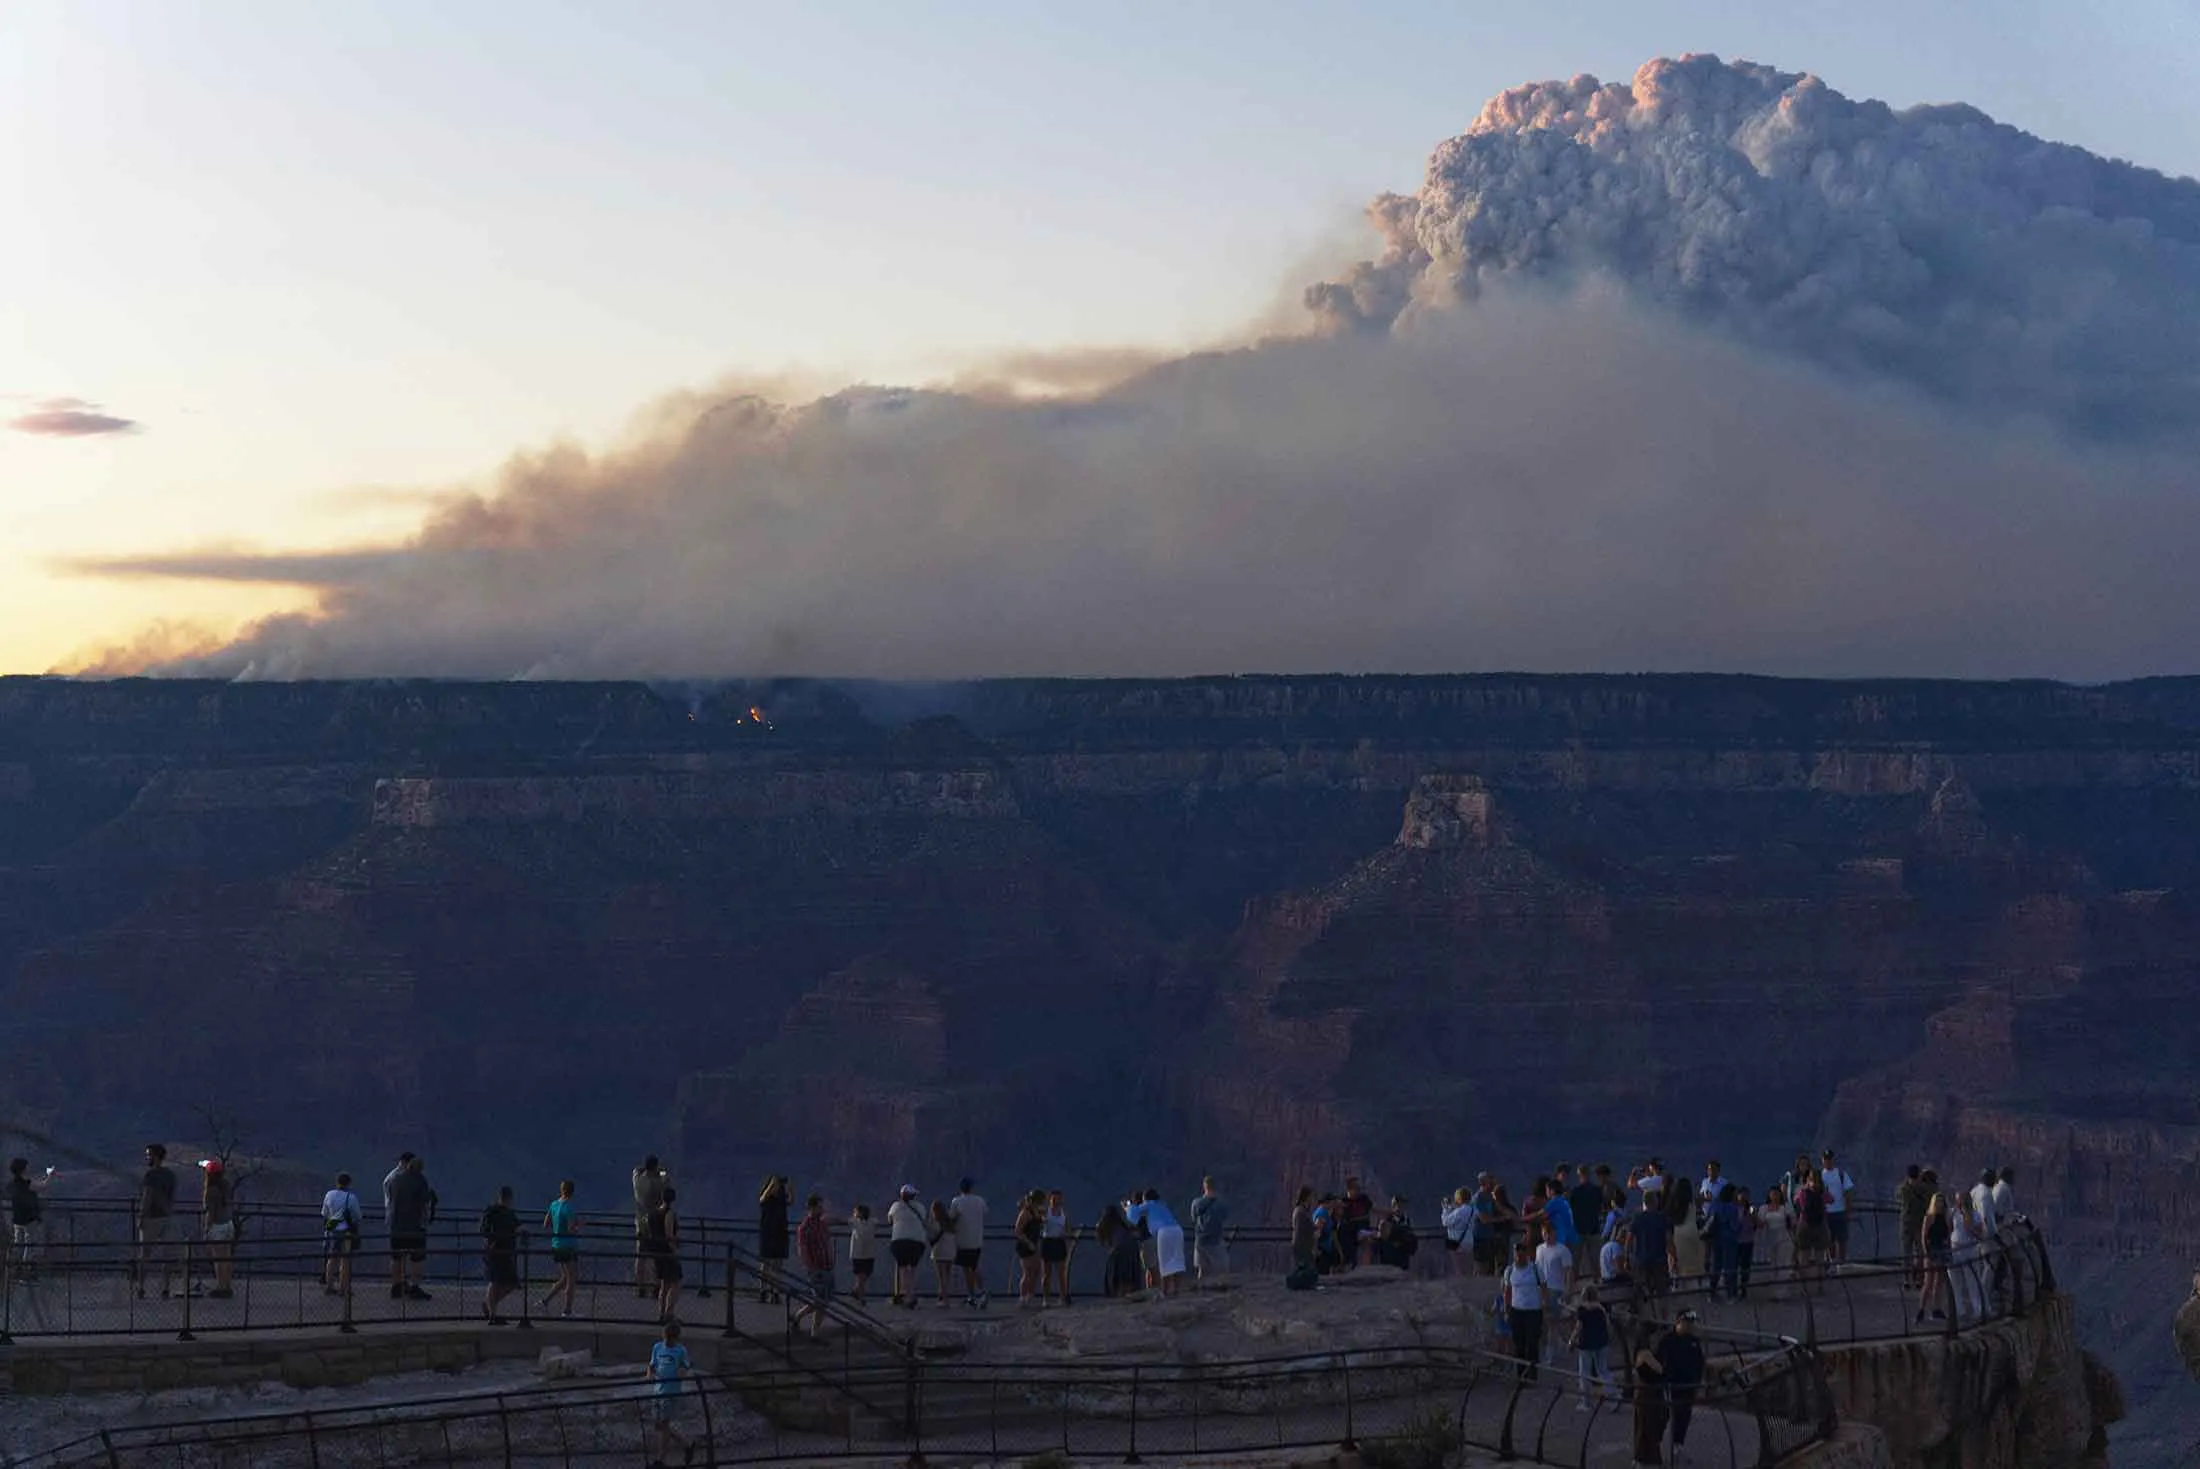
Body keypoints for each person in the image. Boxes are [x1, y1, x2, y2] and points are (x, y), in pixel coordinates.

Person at [644, 1320, 697, 1469]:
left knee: (664, 1424)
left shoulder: (680, 1350)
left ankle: (660, 1459)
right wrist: (649, 1374)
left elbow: (685, 1366)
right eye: (665, 1339)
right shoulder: (657, 1347)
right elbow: (652, 1364)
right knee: (659, 1426)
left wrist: (682, 1372)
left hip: (671, 1391)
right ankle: (686, 1444)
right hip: (658, 1390)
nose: (666, 1342)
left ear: (675, 1339)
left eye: (669, 1340)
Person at [1655, 1311, 1708, 1459]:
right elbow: (1658, 1362)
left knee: (1683, 1416)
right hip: (1670, 1385)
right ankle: (1655, 1443)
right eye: (1688, 1322)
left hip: (1688, 1386)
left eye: (1692, 1323)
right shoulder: (1667, 1341)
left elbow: (1700, 1362)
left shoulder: (1694, 1341)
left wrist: (1698, 1383)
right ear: (1679, 1322)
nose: (1691, 1326)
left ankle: (1678, 1444)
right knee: (1663, 1416)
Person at [387, 1155, 437, 1302]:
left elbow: (390, 1197)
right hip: (414, 1227)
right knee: (417, 1258)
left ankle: (396, 1286)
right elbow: (425, 1200)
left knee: (396, 1257)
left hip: (396, 1225)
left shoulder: (394, 1179)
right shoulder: (420, 1180)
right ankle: (415, 1287)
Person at [136, 1143, 179, 1299]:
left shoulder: (150, 1175)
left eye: (148, 1155)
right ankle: (165, 1287)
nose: (146, 1157)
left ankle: (141, 1286)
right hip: (167, 1217)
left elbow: (147, 1197)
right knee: (167, 1255)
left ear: (154, 1156)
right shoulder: (170, 1175)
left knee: (144, 1255)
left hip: (152, 1218)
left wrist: (141, 1216)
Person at [1125, 1189, 1187, 1295]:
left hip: (1164, 1232)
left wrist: (1128, 1206)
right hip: (1177, 1230)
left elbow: (1133, 1214)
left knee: (1164, 1262)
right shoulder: (1162, 1205)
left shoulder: (1149, 1204)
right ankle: (1177, 1288)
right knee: (1177, 1260)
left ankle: (1164, 1291)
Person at [1501, 1238, 1546, 1379]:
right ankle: (1521, 1375)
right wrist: (1506, 1310)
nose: (1519, 1257)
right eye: (1517, 1254)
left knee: (1532, 1344)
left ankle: (1532, 1375)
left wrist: (1545, 1304)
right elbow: (1507, 1291)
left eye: (1522, 1254)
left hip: (1533, 1311)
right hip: (1517, 1311)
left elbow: (1544, 1287)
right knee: (1519, 1344)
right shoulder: (1509, 1271)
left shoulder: (1535, 1269)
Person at [792, 1193, 835, 1338]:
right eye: (820, 1206)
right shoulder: (804, 1228)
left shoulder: (822, 1224)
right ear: (812, 1207)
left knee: (823, 1301)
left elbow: (827, 1242)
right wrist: (810, 1268)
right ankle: (812, 1330)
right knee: (820, 1301)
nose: (822, 1209)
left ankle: (801, 1319)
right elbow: (802, 1249)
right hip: (816, 1268)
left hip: (827, 1266)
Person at [478, 1185, 521, 1325]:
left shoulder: (496, 1211)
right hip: (499, 1251)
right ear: (509, 1198)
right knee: (497, 1282)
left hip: (500, 1251)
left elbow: (483, 1230)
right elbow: (517, 1227)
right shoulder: (497, 1212)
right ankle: (492, 1314)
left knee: (506, 1282)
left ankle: (490, 1307)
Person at [5, 1157, 53, 1283]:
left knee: (18, 1245)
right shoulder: (25, 1183)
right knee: (29, 1246)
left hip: (17, 1218)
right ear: (23, 1169)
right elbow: (42, 1186)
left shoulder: (13, 1184)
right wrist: (50, 1175)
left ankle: (14, 1270)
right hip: (29, 1219)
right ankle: (25, 1273)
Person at [1568, 1283, 1613, 1411]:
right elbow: (1607, 1324)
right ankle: (1613, 1396)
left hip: (1586, 1343)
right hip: (1601, 1341)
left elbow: (1578, 1327)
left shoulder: (1582, 1309)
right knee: (1603, 1370)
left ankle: (1586, 1402)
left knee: (1584, 1373)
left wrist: (1571, 1341)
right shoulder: (1602, 1308)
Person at [540, 1179, 581, 1318]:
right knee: (572, 1278)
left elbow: (546, 1224)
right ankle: (567, 1310)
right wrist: (578, 1225)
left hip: (556, 1244)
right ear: (572, 1192)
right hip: (568, 1245)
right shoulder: (568, 1207)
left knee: (565, 1277)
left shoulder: (554, 1204)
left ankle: (545, 1300)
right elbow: (571, 1228)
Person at [320, 1171, 363, 1300]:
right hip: (346, 1231)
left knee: (332, 1259)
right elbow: (357, 1216)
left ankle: (329, 1285)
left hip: (332, 1230)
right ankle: (344, 1288)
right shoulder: (351, 1197)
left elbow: (324, 1213)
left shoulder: (329, 1195)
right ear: (349, 1183)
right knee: (345, 1260)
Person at [1534, 1219, 1572, 1364]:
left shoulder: (1562, 1250)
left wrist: (1567, 1290)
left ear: (1554, 1234)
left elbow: (1569, 1271)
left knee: (1552, 1322)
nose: (1547, 1236)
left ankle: (1551, 1353)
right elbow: (1537, 1268)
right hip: (1540, 1289)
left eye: (1549, 1233)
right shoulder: (1539, 1249)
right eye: (1544, 1233)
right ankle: (1557, 1347)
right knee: (1543, 1322)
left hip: (1556, 1289)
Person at [632, 1156, 671, 1298]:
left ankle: (640, 1286)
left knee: (640, 1256)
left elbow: (635, 1170)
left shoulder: (637, 1181)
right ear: (655, 1167)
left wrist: (645, 1170)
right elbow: (665, 1190)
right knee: (655, 1256)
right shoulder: (656, 1184)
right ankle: (655, 1286)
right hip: (654, 1223)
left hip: (640, 1222)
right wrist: (663, 1174)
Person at [199, 1158, 237, 1298]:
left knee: (218, 1258)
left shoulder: (211, 1191)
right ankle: (227, 1284)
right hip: (228, 1223)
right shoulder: (225, 1186)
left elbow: (211, 1213)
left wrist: (206, 1229)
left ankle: (221, 1287)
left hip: (218, 1226)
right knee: (227, 1257)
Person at [949, 1178, 990, 1308]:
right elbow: (985, 1213)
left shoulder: (956, 1201)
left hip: (962, 1240)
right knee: (974, 1265)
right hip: (977, 1239)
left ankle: (976, 1293)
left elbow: (951, 1217)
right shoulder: (980, 1201)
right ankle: (977, 1293)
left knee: (968, 1268)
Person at [886, 1185, 927, 1310]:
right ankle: (912, 1295)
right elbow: (924, 1219)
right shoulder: (920, 1207)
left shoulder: (895, 1206)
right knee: (913, 1270)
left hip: (899, 1241)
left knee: (902, 1269)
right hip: (917, 1241)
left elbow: (890, 1220)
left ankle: (904, 1295)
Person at [648, 1185, 684, 1323]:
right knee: (676, 1283)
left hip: (657, 1252)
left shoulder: (653, 1213)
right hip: (667, 1252)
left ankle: (661, 1313)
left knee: (664, 1284)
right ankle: (669, 1312)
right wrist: (674, 1249)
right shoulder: (668, 1213)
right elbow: (669, 1234)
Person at [1916, 1186, 1952, 1324]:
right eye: (1938, 1202)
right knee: (1928, 1282)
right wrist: (1926, 1253)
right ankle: (1921, 1309)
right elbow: (1923, 1236)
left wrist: (1948, 1249)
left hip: (1942, 1250)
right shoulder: (1929, 1217)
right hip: (1932, 1250)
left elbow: (1948, 1234)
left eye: (1942, 1202)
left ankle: (1936, 1309)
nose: (1940, 1205)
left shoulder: (1946, 1217)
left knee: (1939, 1282)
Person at [1949, 1190, 1986, 1323]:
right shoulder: (1953, 1213)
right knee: (1955, 1282)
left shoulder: (1976, 1215)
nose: (1959, 1204)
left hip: (1969, 1249)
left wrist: (1968, 1222)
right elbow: (1949, 1228)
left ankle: (1978, 1309)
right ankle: (1960, 1310)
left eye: (1961, 1201)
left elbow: (1981, 1234)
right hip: (1955, 1248)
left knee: (1972, 1281)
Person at [1630, 1345, 1669, 1466]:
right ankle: (1641, 1459)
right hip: (1646, 1391)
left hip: (1656, 1391)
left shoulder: (1661, 1343)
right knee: (1645, 1426)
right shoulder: (1644, 1347)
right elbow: (1658, 1368)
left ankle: (1648, 1457)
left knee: (1658, 1423)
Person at [757, 1175, 791, 1303]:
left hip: (780, 1233)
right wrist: (772, 1184)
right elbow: (762, 1199)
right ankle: (763, 1290)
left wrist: (789, 1188)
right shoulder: (767, 1198)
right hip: (767, 1233)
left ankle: (775, 1292)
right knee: (765, 1263)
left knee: (777, 1265)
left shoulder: (781, 1199)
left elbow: (791, 1201)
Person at [1188, 1177, 1229, 1284]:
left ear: (1204, 1186)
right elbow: (1224, 1217)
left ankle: (1200, 1290)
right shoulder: (1221, 1204)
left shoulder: (1196, 1203)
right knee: (1222, 1267)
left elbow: (1193, 1219)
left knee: (1202, 1268)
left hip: (1200, 1239)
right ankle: (1222, 1288)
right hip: (1216, 1239)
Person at [1792, 1170, 1831, 1283]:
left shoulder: (1803, 1192)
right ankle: (1821, 1284)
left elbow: (1796, 1201)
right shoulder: (1822, 1193)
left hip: (1804, 1224)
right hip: (1820, 1225)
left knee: (1804, 1255)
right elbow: (1831, 1200)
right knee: (1820, 1256)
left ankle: (1804, 1284)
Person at [1755, 1185, 1795, 1294]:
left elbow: (1793, 1222)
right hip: (1770, 1237)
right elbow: (1760, 1224)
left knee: (1783, 1263)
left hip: (1784, 1237)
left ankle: (1781, 1292)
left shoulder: (1785, 1207)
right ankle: (1774, 1289)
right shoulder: (1764, 1208)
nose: (1774, 1196)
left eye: (1777, 1194)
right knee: (1773, 1264)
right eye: (1772, 1194)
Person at [1099, 1200, 1143, 1296]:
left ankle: (1119, 1293)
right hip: (1131, 1249)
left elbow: (1103, 1240)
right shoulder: (1121, 1225)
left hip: (1119, 1251)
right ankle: (1130, 1292)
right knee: (1129, 1273)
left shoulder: (1104, 1225)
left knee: (1118, 1275)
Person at [1820, 1149, 1855, 1266]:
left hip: (1840, 1211)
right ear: (1822, 1160)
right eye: (1826, 1159)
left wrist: (1848, 1210)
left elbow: (1848, 1191)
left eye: (1829, 1159)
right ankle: (1831, 1262)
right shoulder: (1819, 1176)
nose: (1828, 1161)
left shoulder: (1841, 1174)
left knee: (1842, 1239)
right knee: (1828, 1240)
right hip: (1826, 1213)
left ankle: (1842, 1263)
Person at [1896, 1164, 1929, 1286]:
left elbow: (1899, 1198)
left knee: (1906, 1253)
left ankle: (1906, 1279)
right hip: (1920, 1223)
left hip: (1906, 1223)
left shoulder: (1903, 1188)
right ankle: (1919, 1278)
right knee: (1920, 1252)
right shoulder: (1923, 1189)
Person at [1014, 1191, 1045, 1306]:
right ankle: (1022, 1297)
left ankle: (1030, 1295)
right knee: (1027, 1272)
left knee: (1036, 1271)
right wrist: (1028, 1243)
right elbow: (1018, 1231)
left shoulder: (1036, 1211)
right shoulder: (1025, 1213)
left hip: (1034, 1244)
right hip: (1025, 1246)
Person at [1040, 1189, 1071, 1306]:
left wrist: (1066, 1234)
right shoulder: (1045, 1212)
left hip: (1059, 1242)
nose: (1056, 1201)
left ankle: (1062, 1297)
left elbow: (1068, 1229)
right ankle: (1045, 1299)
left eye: (1058, 1198)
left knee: (1061, 1273)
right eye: (1054, 1199)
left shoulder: (1064, 1214)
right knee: (1046, 1273)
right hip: (1047, 1241)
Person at [1338, 1176, 1374, 1270]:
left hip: (1363, 1228)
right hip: (1349, 1231)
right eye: (1355, 1188)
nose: (1357, 1191)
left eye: (1358, 1188)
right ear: (1349, 1189)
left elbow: (1372, 1210)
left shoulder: (1363, 1199)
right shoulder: (1343, 1201)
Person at [927, 1199, 957, 1306]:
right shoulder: (949, 1223)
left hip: (939, 1251)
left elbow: (931, 1237)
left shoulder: (935, 1223)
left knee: (941, 1277)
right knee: (947, 1276)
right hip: (951, 1250)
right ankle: (944, 1297)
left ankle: (944, 1299)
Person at [1376, 1195, 1419, 1271]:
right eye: (1398, 1205)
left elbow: (1411, 1241)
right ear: (1393, 1206)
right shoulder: (1385, 1221)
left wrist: (1405, 1244)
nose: (1400, 1208)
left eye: (1402, 1205)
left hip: (1403, 1264)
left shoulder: (1406, 1221)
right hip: (1388, 1264)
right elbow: (1381, 1240)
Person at [847, 1202, 877, 1305]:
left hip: (865, 1253)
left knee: (864, 1276)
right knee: (860, 1276)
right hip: (860, 1254)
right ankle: (861, 1297)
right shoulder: (870, 1222)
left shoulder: (858, 1222)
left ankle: (856, 1291)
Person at [1289, 1185, 1318, 1277]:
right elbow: (1302, 1230)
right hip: (1302, 1245)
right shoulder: (1301, 1212)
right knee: (1305, 1269)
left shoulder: (1301, 1211)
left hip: (1301, 1245)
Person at [1969, 1169, 2001, 1238]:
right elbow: (1985, 1216)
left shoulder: (1974, 1190)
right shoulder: (1986, 1194)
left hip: (1975, 1230)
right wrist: (1992, 1234)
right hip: (1985, 1235)